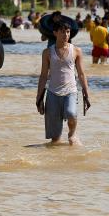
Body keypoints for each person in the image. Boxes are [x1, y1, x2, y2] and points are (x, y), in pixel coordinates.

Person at [36, 15, 91, 145]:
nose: (66, 35)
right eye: (62, 32)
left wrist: (86, 93)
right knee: (55, 140)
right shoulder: (47, 53)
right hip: (52, 93)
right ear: (55, 33)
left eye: (68, 32)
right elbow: (43, 76)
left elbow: (81, 74)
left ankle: (72, 133)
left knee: (71, 113)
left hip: (70, 91)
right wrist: (39, 97)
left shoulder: (76, 51)